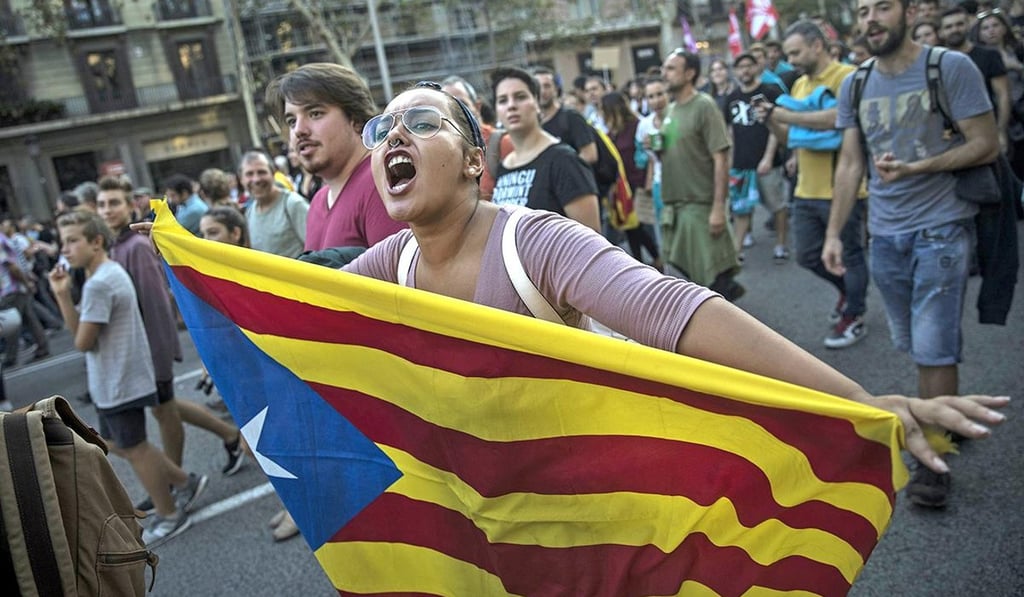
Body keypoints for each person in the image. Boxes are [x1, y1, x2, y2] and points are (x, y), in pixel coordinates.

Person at [310, 81, 1006, 503]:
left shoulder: (535, 242)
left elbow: (675, 309)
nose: (395, 133)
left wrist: (858, 400)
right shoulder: (387, 263)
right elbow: (294, 309)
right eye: (382, 130)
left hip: (592, 498)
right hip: (488, 508)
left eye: (423, 122)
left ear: (471, 162)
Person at [824, 0, 1001, 508]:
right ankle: (948, 411)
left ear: (906, 11)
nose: (870, 19)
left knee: (932, 345)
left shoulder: (949, 67)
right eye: (861, 11)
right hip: (886, 235)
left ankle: (934, 457)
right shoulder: (856, 83)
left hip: (941, 228)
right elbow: (850, 164)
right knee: (915, 341)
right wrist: (836, 233)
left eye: (882, 7)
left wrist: (919, 168)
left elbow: (986, 143)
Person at [50, 210, 207, 547]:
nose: (66, 249)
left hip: (120, 381)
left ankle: (170, 514)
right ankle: (183, 481)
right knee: (118, 443)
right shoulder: (106, 274)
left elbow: (82, 341)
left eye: (73, 240)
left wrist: (63, 297)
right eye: (62, 241)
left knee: (134, 448)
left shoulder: (100, 283)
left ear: (95, 242)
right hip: (119, 379)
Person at [96, 176, 245, 507]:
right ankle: (227, 437)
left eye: (114, 203)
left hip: (150, 351)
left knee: (164, 411)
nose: (107, 210)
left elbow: (156, 306)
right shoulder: (115, 244)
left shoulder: (134, 247)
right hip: (138, 351)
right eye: (102, 204)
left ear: (130, 205)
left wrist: (160, 359)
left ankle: (175, 480)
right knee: (167, 408)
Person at [759, 19, 871, 349]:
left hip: (843, 188)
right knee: (808, 256)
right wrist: (770, 119)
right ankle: (848, 292)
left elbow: (840, 117)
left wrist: (784, 115)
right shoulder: (799, 87)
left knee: (850, 256)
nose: (789, 60)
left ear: (817, 46)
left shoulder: (847, 76)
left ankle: (855, 313)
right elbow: (788, 138)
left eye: (795, 53)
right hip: (805, 188)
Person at [264, 63, 404, 254]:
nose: (299, 131)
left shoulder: (379, 182)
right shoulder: (318, 201)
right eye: (291, 121)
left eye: (315, 113)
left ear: (355, 119)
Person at [658, 49, 743, 301]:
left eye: (671, 68)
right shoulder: (671, 110)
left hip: (700, 207)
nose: (665, 73)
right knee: (688, 282)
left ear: (690, 73)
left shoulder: (704, 106)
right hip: (675, 207)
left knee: (712, 284)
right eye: (665, 68)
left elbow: (721, 158)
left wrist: (719, 207)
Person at [489, 68, 601, 232]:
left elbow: (593, 242)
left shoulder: (564, 161)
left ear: (537, 103)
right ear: (497, 112)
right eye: (503, 100)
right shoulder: (503, 167)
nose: (511, 105)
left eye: (520, 97)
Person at [724, 52, 790, 263]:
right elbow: (730, 132)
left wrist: (769, 157)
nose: (745, 70)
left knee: (777, 205)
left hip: (768, 163)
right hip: (742, 163)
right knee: (741, 210)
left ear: (756, 68)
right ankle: (736, 253)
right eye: (740, 67)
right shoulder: (731, 98)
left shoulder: (769, 92)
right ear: (735, 72)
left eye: (749, 66)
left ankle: (780, 245)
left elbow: (777, 128)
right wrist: (731, 161)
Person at [599, 91, 662, 270]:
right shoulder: (610, 132)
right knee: (630, 226)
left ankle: (656, 259)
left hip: (637, 182)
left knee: (638, 225)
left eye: (603, 109)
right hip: (621, 185)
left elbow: (649, 155)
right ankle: (641, 263)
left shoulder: (637, 125)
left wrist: (649, 180)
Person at [940, 6, 1013, 153]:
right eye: (949, 26)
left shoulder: (989, 56)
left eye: (959, 24)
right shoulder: (937, 62)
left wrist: (1001, 132)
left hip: (987, 130)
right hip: (952, 137)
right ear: (941, 32)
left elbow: (1003, 95)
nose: (955, 29)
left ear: (968, 25)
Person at [239, 150, 309, 258]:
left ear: (273, 173)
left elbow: (316, 250)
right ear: (241, 180)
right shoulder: (249, 213)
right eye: (249, 174)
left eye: (262, 172)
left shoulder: (293, 204)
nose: (256, 179)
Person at [533, 67, 598, 165]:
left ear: (556, 89)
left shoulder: (571, 117)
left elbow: (590, 155)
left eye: (547, 86)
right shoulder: (533, 123)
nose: (542, 91)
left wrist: (563, 171)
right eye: (538, 86)